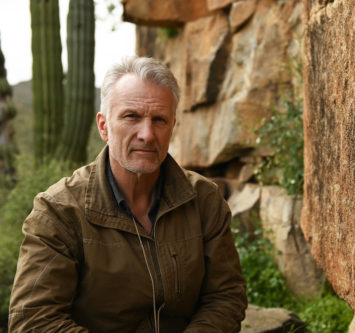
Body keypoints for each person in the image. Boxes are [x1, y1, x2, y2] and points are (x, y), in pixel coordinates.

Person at [9, 56, 247, 332]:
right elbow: (33, 320)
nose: (146, 134)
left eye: (159, 119)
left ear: (172, 127)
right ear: (103, 126)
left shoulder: (204, 199)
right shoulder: (57, 211)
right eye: (131, 116)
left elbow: (226, 296)